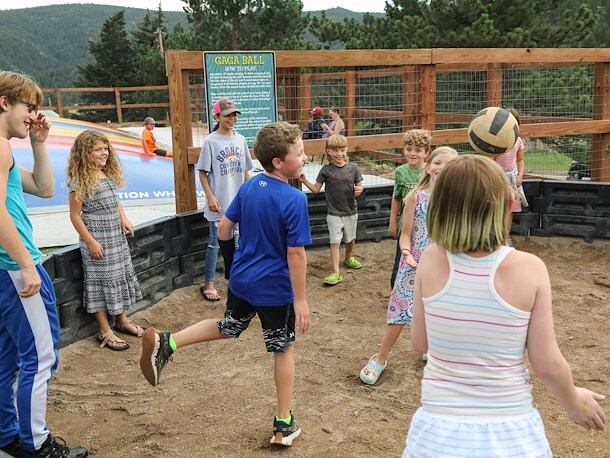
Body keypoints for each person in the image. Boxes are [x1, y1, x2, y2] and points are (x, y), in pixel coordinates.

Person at [403, 155, 606, 457]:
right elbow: (547, 364)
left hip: (437, 434)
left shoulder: (430, 258)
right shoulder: (530, 268)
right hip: (510, 433)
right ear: (509, 202)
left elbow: (420, 341)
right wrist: (574, 402)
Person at [140, 121, 311, 447]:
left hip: (243, 280)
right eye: (299, 153)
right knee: (284, 347)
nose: (304, 158)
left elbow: (224, 229)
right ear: (279, 162)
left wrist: (233, 270)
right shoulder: (294, 199)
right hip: (275, 289)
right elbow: (296, 254)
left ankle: (168, 341)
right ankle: (283, 424)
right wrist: (300, 300)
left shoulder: (248, 187)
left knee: (230, 326)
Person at [0, 71, 88, 457]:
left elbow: (43, 187)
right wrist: (27, 264)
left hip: (5, 270)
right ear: (4, 103)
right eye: (29, 106)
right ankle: (37, 446)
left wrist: (38, 144)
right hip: (15, 268)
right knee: (40, 357)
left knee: (5, 359)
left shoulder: (6, 150)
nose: (35, 115)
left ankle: (5, 435)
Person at [360, 147, 457, 385]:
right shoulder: (415, 196)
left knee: (441, 310)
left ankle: (433, 350)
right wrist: (406, 252)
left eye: (448, 165)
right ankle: (380, 358)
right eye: (437, 163)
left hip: (445, 263)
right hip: (414, 263)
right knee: (401, 309)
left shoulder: (457, 200)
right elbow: (406, 235)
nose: (441, 168)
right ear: (428, 166)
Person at [67, 130, 144, 351]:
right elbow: (74, 215)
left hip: (115, 235)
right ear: (84, 153)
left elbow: (115, 200)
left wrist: (124, 218)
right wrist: (90, 241)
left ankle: (121, 321)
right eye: (98, 150)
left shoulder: (104, 173)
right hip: (98, 238)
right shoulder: (79, 180)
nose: (105, 153)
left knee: (118, 276)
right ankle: (104, 329)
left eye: (106, 148)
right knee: (101, 283)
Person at [196, 97, 253, 302]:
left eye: (234, 115)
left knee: (239, 241)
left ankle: (235, 281)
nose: (232, 119)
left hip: (238, 201)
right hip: (219, 202)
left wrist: (250, 192)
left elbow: (246, 171)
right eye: (228, 115)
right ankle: (209, 283)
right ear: (217, 116)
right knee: (215, 242)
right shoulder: (211, 141)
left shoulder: (240, 140)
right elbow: (202, 172)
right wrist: (210, 196)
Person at [298, 134, 363, 286]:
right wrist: (304, 180)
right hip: (333, 214)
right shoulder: (325, 170)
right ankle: (336, 272)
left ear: (346, 150)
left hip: (351, 211)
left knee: (350, 240)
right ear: (328, 151)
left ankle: (348, 258)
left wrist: (359, 189)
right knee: (334, 242)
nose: (339, 154)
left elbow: (359, 185)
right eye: (335, 150)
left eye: (342, 150)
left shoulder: (353, 168)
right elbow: (315, 190)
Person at [389, 129, 432, 289]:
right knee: (399, 269)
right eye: (409, 149)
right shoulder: (401, 172)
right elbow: (397, 198)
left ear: (426, 153)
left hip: (426, 229)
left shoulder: (430, 170)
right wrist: (393, 221)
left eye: (418, 150)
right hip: (405, 228)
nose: (413, 153)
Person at [494, 107, 528, 229]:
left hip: (512, 177)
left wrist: (520, 176)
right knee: (496, 209)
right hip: (498, 178)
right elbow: (489, 162)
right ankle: (494, 236)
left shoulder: (518, 141)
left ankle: (506, 237)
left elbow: (520, 160)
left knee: (509, 209)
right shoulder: (494, 141)